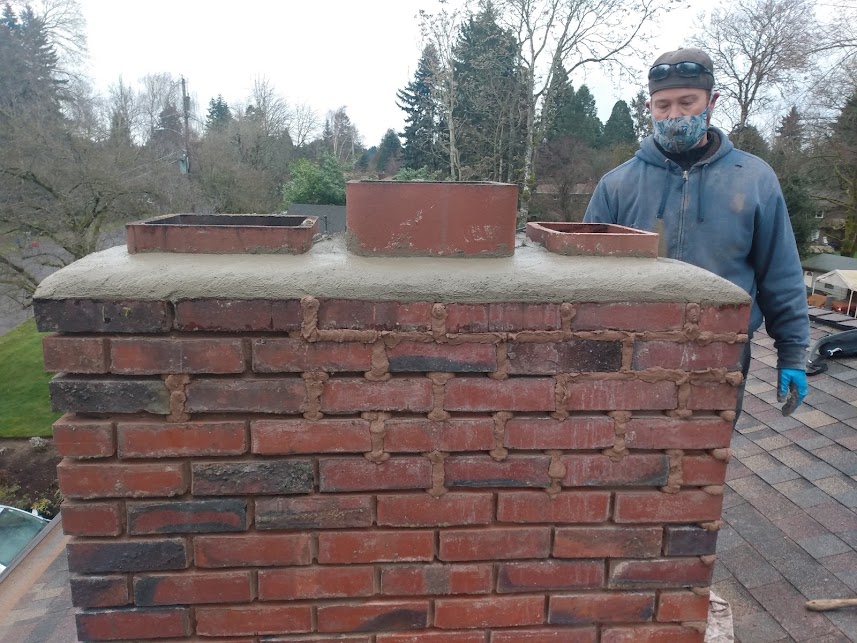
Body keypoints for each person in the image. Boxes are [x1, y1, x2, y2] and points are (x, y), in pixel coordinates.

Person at [583, 47, 809, 416]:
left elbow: (779, 271)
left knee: (704, 460)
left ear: (711, 102)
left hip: (721, 353)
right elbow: (586, 276)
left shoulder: (753, 179)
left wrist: (793, 352)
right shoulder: (618, 185)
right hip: (635, 353)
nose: (674, 116)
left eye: (687, 103)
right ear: (649, 108)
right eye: (663, 106)